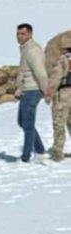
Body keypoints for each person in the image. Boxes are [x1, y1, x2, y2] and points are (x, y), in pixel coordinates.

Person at [15, 23, 48, 163]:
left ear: (29, 34)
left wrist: (47, 91)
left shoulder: (33, 50)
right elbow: (24, 71)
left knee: (27, 124)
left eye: (22, 34)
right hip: (27, 90)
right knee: (22, 121)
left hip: (33, 90)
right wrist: (19, 88)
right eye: (17, 34)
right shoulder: (25, 48)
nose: (19, 36)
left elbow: (40, 72)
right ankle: (39, 150)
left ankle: (25, 157)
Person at [46, 30, 71, 162]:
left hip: (64, 94)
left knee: (59, 123)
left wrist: (49, 94)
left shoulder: (64, 59)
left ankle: (57, 151)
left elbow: (56, 76)